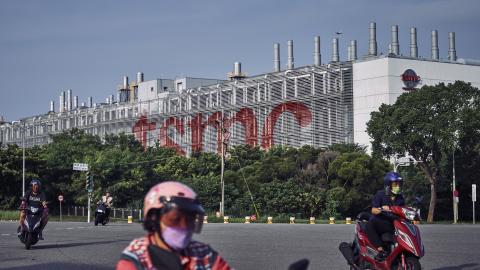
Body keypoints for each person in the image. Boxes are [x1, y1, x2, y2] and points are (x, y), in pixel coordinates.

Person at [116, 181, 231, 270]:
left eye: (190, 220)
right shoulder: (136, 259)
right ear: (154, 218)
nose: (184, 226)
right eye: (175, 219)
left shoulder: (203, 253)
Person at [366, 171, 405, 262]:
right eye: (395, 184)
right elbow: (373, 210)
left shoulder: (400, 197)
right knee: (370, 222)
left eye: (399, 184)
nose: (398, 186)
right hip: (382, 222)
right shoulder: (380, 194)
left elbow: (403, 210)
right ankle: (380, 250)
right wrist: (381, 209)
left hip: (395, 224)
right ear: (388, 185)